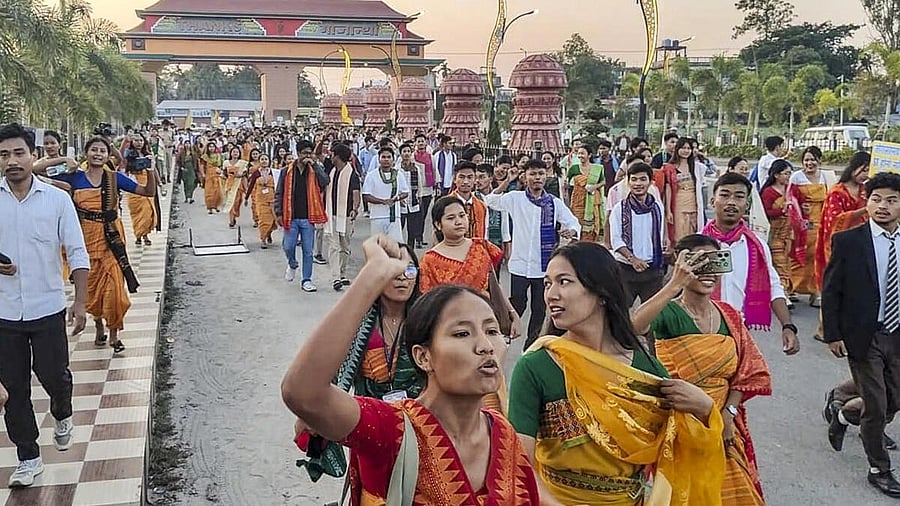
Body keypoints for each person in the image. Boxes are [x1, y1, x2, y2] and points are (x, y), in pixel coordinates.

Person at [281, 235, 541, 504]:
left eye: (492, 330)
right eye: (462, 333)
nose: (486, 346)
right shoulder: (392, 430)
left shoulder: (502, 433)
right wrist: (372, 277)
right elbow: (303, 393)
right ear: (423, 357)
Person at [508, 241, 725, 505]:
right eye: (547, 284)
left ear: (601, 292)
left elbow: (679, 450)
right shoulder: (536, 365)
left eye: (564, 282)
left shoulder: (645, 369)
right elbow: (519, 468)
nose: (551, 294)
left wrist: (704, 410)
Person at [633, 235, 772, 505]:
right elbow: (633, 326)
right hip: (681, 428)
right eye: (700, 263)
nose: (709, 272)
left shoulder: (729, 315)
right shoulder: (669, 313)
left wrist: (727, 415)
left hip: (724, 426)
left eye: (716, 262)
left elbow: (748, 372)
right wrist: (675, 282)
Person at [0, 123, 89, 488]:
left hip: (48, 307)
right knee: (14, 389)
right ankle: (28, 458)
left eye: (18, 153)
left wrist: (80, 303)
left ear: (33, 155)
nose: (11, 161)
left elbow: (78, 252)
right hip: (4, 313)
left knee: (54, 375)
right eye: (4, 155)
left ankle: (62, 411)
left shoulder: (57, 200)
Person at [293, 244, 424, 474]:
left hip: (421, 425)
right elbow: (329, 372)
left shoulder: (427, 322)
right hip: (370, 424)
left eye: (410, 270)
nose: (403, 278)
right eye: (395, 271)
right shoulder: (356, 323)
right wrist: (311, 413)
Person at [823, 172, 900, 498]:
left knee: (895, 399)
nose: (883, 206)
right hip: (864, 336)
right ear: (866, 202)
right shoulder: (850, 241)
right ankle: (879, 469)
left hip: (898, 335)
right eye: (877, 199)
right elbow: (831, 290)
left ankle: (843, 412)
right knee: (878, 405)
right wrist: (833, 334)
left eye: (892, 200)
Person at [54, 136, 159, 355]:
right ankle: (99, 324)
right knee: (92, 288)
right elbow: (35, 173)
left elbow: (147, 192)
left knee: (114, 289)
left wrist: (150, 169)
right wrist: (64, 158)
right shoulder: (75, 178)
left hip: (112, 239)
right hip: (84, 240)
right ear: (86, 153)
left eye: (103, 150)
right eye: (94, 150)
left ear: (108, 155)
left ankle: (114, 334)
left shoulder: (114, 179)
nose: (98, 154)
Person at [484, 159, 580, 347]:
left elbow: (573, 222)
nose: (537, 178)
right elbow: (491, 201)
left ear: (546, 176)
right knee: (516, 304)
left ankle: (530, 347)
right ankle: (505, 336)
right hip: (519, 265)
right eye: (533, 174)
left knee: (539, 309)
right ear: (525, 176)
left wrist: (572, 232)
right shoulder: (515, 198)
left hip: (543, 268)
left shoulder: (554, 203)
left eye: (540, 174)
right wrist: (507, 180)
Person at [703, 172, 800, 355]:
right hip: (700, 331)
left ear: (746, 205)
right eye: (724, 195)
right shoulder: (698, 244)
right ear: (712, 201)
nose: (731, 202)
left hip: (740, 331)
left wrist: (788, 327)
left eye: (739, 197)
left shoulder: (756, 246)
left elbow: (773, 286)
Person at [418, 196, 520, 335]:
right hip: (452, 328)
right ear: (438, 225)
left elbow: (494, 286)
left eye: (461, 215)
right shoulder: (430, 259)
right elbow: (428, 303)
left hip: (486, 321)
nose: (458, 221)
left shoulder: (481, 246)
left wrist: (512, 314)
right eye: (451, 218)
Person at [274, 139, 329, 293]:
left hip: (308, 217)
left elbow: (325, 181)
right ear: (298, 154)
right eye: (305, 153)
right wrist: (278, 212)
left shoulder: (314, 170)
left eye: (310, 153)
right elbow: (279, 193)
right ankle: (292, 264)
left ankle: (307, 279)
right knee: (288, 246)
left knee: (308, 251)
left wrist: (315, 165)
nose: (308, 156)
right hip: (290, 216)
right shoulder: (286, 171)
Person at [610, 163, 668, 306]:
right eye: (634, 179)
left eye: (642, 179)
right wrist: (633, 259)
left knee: (653, 313)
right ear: (628, 182)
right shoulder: (619, 209)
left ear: (650, 182)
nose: (638, 183)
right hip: (626, 269)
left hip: (652, 269)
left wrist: (665, 242)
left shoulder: (657, 207)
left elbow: (660, 231)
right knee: (621, 312)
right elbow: (616, 240)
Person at [789, 146, 830, 307]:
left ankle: (815, 292)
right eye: (806, 160)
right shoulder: (796, 177)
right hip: (801, 223)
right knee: (798, 255)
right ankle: (790, 288)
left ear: (819, 160)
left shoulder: (825, 177)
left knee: (817, 257)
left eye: (812, 159)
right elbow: (790, 200)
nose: (809, 163)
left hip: (820, 221)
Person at [323, 143, 361, 291]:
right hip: (331, 213)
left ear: (337, 156)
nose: (330, 156)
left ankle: (342, 273)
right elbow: (317, 153)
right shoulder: (330, 170)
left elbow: (356, 192)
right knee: (334, 246)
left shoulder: (351, 174)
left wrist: (355, 208)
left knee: (344, 247)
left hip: (345, 215)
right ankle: (335, 277)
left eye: (332, 153)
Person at [760, 160, 796, 302]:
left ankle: (785, 291)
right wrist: (782, 210)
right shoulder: (769, 192)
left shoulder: (790, 190)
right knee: (779, 263)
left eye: (789, 173)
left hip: (788, 232)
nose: (788, 176)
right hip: (775, 233)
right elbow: (766, 212)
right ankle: (783, 296)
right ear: (776, 175)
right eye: (786, 173)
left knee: (787, 263)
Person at [663, 137, 706, 245]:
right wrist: (668, 210)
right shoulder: (670, 167)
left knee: (693, 228)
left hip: (694, 201)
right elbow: (668, 188)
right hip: (678, 201)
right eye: (683, 148)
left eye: (688, 148)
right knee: (679, 230)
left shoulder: (697, 167)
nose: (686, 151)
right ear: (677, 149)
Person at [363, 147, 409, 243]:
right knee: (378, 246)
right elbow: (366, 195)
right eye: (383, 157)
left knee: (395, 245)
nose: (386, 159)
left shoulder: (398, 174)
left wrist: (396, 199)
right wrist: (383, 201)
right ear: (379, 159)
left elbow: (405, 192)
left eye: (389, 157)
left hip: (394, 217)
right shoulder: (371, 175)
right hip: (377, 216)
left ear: (393, 159)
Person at [123, 133, 159, 246]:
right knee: (136, 213)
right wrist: (124, 142)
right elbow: (120, 158)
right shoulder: (129, 154)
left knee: (148, 212)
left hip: (147, 183)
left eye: (141, 140)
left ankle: (145, 235)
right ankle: (138, 235)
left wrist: (159, 181)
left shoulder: (148, 154)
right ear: (132, 142)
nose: (139, 143)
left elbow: (154, 169)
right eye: (136, 140)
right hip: (134, 185)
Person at [567, 145, 605, 243]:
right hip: (578, 200)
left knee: (591, 227)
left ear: (589, 155)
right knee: (577, 224)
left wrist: (594, 187)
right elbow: (566, 183)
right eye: (578, 153)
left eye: (582, 153)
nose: (580, 156)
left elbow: (603, 182)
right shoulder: (573, 168)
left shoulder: (597, 168)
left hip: (592, 200)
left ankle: (588, 245)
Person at [474, 164, 511, 255]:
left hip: (495, 245)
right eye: (476, 178)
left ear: (490, 178)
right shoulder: (472, 198)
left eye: (482, 177)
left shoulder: (500, 198)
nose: (478, 181)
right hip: (477, 247)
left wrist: (507, 249)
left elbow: (505, 228)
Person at [244, 154, 278, 248]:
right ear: (259, 161)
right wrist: (246, 198)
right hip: (261, 199)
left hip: (272, 199)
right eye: (262, 159)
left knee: (273, 220)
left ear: (269, 161)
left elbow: (279, 185)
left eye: (266, 159)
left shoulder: (273, 172)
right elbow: (251, 185)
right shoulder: (256, 173)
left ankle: (269, 233)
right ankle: (263, 239)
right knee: (263, 220)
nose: (264, 161)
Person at [398, 143, 426, 248]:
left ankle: (411, 252)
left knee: (412, 230)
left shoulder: (416, 168)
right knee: (399, 228)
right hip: (401, 203)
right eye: (404, 151)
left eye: (408, 151)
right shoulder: (397, 169)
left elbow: (419, 184)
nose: (406, 154)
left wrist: (420, 197)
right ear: (400, 154)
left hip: (413, 202)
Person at [200, 141, 224, 214]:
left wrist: (221, 171)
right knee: (209, 192)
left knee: (218, 191)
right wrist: (203, 174)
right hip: (209, 175)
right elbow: (201, 166)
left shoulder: (218, 156)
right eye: (210, 147)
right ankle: (210, 207)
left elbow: (221, 165)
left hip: (217, 174)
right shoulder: (205, 157)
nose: (211, 148)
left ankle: (215, 206)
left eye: (213, 146)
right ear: (207, 148)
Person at [176, 139, 200, 204]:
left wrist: (197, 170)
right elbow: (178, 161)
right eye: (186, 143)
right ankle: (187, 197)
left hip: (192, 169)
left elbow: (197, 162)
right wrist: (181, 167)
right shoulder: (182, 153)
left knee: (192, 184)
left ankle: (190, 196)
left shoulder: (193, 153)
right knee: (186, 184)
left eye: (188, 143)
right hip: (185, 169)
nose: (187, 145)